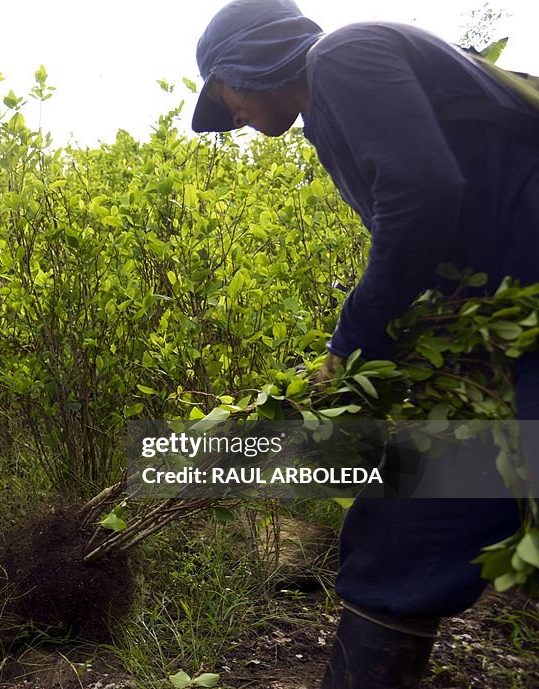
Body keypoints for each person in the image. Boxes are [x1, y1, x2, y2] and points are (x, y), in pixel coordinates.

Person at [191, 1, 537, 687]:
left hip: (522, 315)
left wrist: (346, 345)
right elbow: (438, 224)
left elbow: (424, 195)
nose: (228, 113)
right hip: (500, 325)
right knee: (418, 516)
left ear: (250, 63)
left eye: (221, 90)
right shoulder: (332, 106)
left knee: (421, 510)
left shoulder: (343, 57)